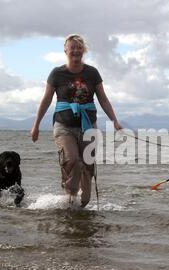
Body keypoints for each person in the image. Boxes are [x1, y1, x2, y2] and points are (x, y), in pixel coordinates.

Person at [30, 34, 122, 208]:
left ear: (84, 50)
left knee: (87, 165)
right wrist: (36, 125)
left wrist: (114, 121)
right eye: (72, 47)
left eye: (79, 47)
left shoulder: (92, 73)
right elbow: (46, 100)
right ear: (65, 50)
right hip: (64, 126)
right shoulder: (57, 73)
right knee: (73, 160)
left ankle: (84, 203)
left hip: (89, 126)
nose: (76, 50)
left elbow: (103, 99)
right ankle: (70, 196)